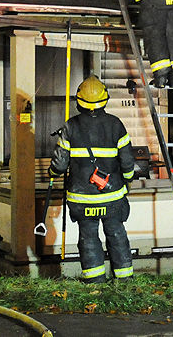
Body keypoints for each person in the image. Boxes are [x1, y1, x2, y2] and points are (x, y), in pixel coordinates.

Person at [48, 76, 136, 282]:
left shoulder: (70, 126)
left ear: (79, 101)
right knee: (116, 234)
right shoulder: (116, 125)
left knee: (88, 237)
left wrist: (52, 173)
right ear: (105, 99)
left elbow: (60, 165)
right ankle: (124, 280)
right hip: (112, 196)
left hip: (82, 199)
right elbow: (127, 161)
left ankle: (95, 281)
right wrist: (128, 181)